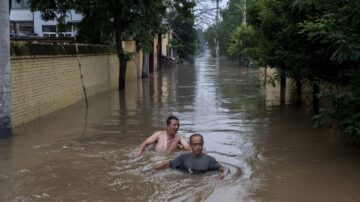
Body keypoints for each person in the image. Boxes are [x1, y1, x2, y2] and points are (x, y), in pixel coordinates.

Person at [154, 133, 227, 179]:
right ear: (191, 145)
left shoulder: (209, 159)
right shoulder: (183, 158)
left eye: (200, 144)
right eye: (195, 144)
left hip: (202, 182)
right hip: (186, 182)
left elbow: (222, 168)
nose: (198, 147)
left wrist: (223, 174)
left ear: (203, 144)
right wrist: (153, 170)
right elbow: (168, 164)